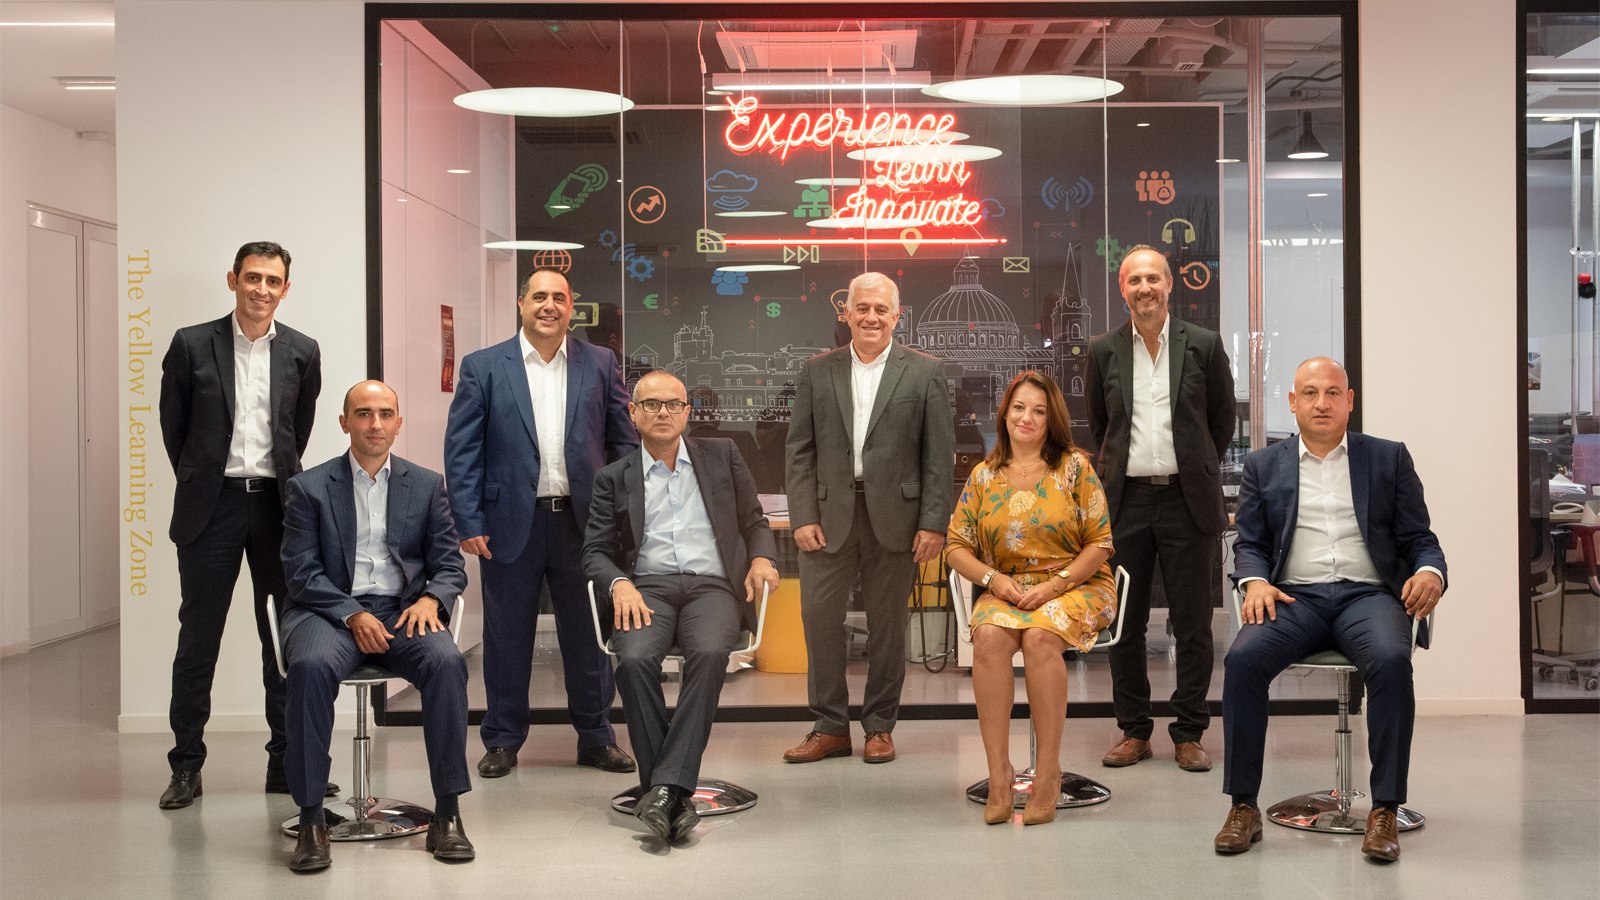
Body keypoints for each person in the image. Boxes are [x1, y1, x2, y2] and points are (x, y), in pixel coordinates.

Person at [1215, 358, 1445, 861]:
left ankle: (1384, 810)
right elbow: (1249, 542)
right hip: (1294, 598)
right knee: (1243, 661)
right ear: (1293, 402)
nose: (1322, 403)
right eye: (1310, 393)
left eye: (1333, 392)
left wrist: (1430, 571)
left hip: (1369, 597)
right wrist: (1255, 581)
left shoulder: (1387, 458)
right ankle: (1243, 806)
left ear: (1349, 401)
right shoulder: (1263, 465)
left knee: (1391, 661)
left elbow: (1419, 538)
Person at [444, 268, 639, 778]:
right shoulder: (484, 366)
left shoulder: (600, 363)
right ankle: (502, 739)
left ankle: (596, 737)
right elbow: (462, 452)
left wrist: (621, 514)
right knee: (506, 637)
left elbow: (623, 443)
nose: (548, 305)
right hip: (508, 523)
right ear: (521, 303)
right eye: (539, 297)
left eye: (559, 297)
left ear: (571, 306)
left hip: (584, 525)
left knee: (588, 637)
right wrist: (468, 520)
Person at [157, 241, 330, 810]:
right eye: (252, 277)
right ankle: (186, 765)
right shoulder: (191, 343)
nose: (262, 289)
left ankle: (286, 762)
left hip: (279, 511)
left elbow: (297, 432)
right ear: (233, 280)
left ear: (285, 289)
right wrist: (205, 477)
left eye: (272, 280)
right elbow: (174, 428)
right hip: (211, 509)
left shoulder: (302, 351)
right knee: (198, 640)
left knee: (282, 640)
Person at [277, 381, 474, 872]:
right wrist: (352, 613)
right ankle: (311, 820)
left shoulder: (426, 484)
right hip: (329, 612)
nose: (375, 424)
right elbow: (301, 573)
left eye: (385, 413)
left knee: (447, 663)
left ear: (398, 422)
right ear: (344, 422)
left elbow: (450, 565)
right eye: (363, 414)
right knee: (309, 667)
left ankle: (448, 813)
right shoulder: (308, 487)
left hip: (402, 611)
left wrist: (432, 598)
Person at [581, 371, 780, 843]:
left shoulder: (723, 455)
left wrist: (762, 558)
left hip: (712, 587)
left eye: (673, 404)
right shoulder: (613, 477)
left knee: (709, 653)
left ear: (688, 412)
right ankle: (674, 791)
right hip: (646, 588)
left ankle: (661, 791)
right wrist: (619, 584)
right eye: (651, 404)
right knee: (633, 658)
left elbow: (754, 521)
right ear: (633, 413)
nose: (663, 413)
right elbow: (594, 552)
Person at [783, 271, 955, 764]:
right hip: (827, 518)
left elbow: (938, 457)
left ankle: (880, 727)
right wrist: (802, 515)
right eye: (863, 308)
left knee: (888, 626)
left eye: (881, 309)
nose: (872, 317)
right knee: (819, 619)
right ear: (847, 313)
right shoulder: (817, 371)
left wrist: (933, 522)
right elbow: (799, 450)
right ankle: (829, 728)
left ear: (897, 316)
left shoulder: (925, 372)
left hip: (897, 520)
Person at [1086, 244, 1235, 772]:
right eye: (1135, 280)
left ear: (1170, 284)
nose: (1144, 288)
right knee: (1124, 624)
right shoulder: (1103, 350)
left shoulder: (1204, 345)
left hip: (1186, 501)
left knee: (1192, 624)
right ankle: (1134, 731)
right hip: (1125, 503)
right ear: (1122, 289)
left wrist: (1191, 466)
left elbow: (1220, 422)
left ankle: (1189, 732)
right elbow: (1101, 424)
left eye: (1153, 278)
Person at [946, 372, 1117, 825]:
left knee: (1041, 637)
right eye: (1019, 407)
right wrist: (992, 579)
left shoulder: (1075, 468)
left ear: (1051, 420)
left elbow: (1101, 543)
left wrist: (1054, 585)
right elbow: (955, 546)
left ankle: (1048, 773)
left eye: (1039, 411)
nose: (1027, 418)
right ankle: (998, 773)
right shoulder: (984, 475)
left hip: (1077, 583)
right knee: (988, 637)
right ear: (1005, 414)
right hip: (1008, 585)